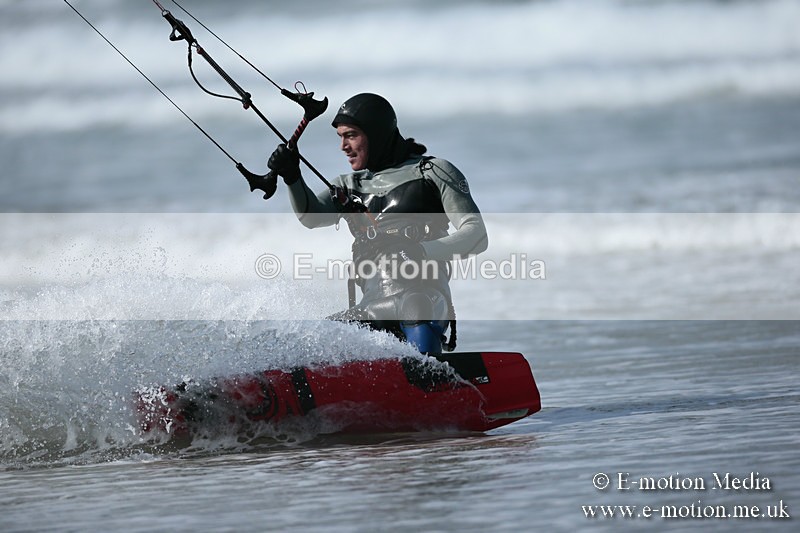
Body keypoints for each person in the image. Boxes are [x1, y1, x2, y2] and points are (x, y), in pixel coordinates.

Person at [267, 93, 487, 353]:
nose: (343, 146)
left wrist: (421, 251)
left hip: (424, 298)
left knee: (416, 304)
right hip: (372, 308)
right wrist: (293, 178)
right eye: (340, 137)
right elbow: (311, 217)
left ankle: (430, 375)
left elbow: (477, 235)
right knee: (315, 337)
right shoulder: (348, 185)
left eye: (351, 135)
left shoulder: (433, 172)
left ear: (376, 133)